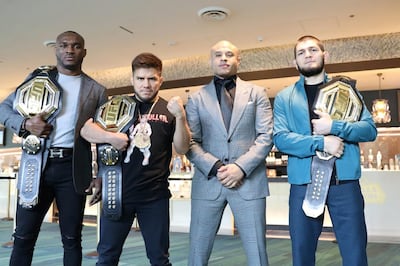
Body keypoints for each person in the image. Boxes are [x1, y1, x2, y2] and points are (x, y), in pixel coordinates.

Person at [0, 30, 108, 266]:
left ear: (84, 52)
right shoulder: (37, 78)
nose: (70, 50)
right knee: (23, 237)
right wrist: (25, 124)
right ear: (56, 49)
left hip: (73, 170)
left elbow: (102, 138)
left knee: (71, 239)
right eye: (64, 45)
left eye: (76, 46)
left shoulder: (97, 90)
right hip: (36, 166)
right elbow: (3, 109)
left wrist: (100, 175)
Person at [273, 35, 377, 266]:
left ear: (324, 55)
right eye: (301, 52)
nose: (308, 55)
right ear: (295, 62)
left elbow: (369, 130)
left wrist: (334, 127)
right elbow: (280, 139)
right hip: (303, 185)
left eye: (313, 50)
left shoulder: (347, 90)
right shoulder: (284, 98)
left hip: (345, 186)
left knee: (355, 255)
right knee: (302, 256)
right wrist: (321, 142)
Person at [80, 52, 191, 266]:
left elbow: (183, 147)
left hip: (154, 197)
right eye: (140, 79)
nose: (146, 84)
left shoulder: (169, 110)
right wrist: (110, 137)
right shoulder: (115, 106)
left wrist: (180, 116)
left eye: (152, 78)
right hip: (117, 193)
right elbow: (86, 130)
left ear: (161, 80)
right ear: (132, 80)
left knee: (159, 259)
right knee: (107, 258)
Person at [185, 40, 273, 266]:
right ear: (211, 61)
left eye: (229, 54)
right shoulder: (196, 98)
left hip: (249, 183)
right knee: (197, 252)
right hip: (208, 183)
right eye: (218, 55)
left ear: (238, 60)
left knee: (258, 255)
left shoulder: (257, 93)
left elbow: (266, 136)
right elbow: (191, 142)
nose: (223, 58)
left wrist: (240, 168)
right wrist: (215, 167)